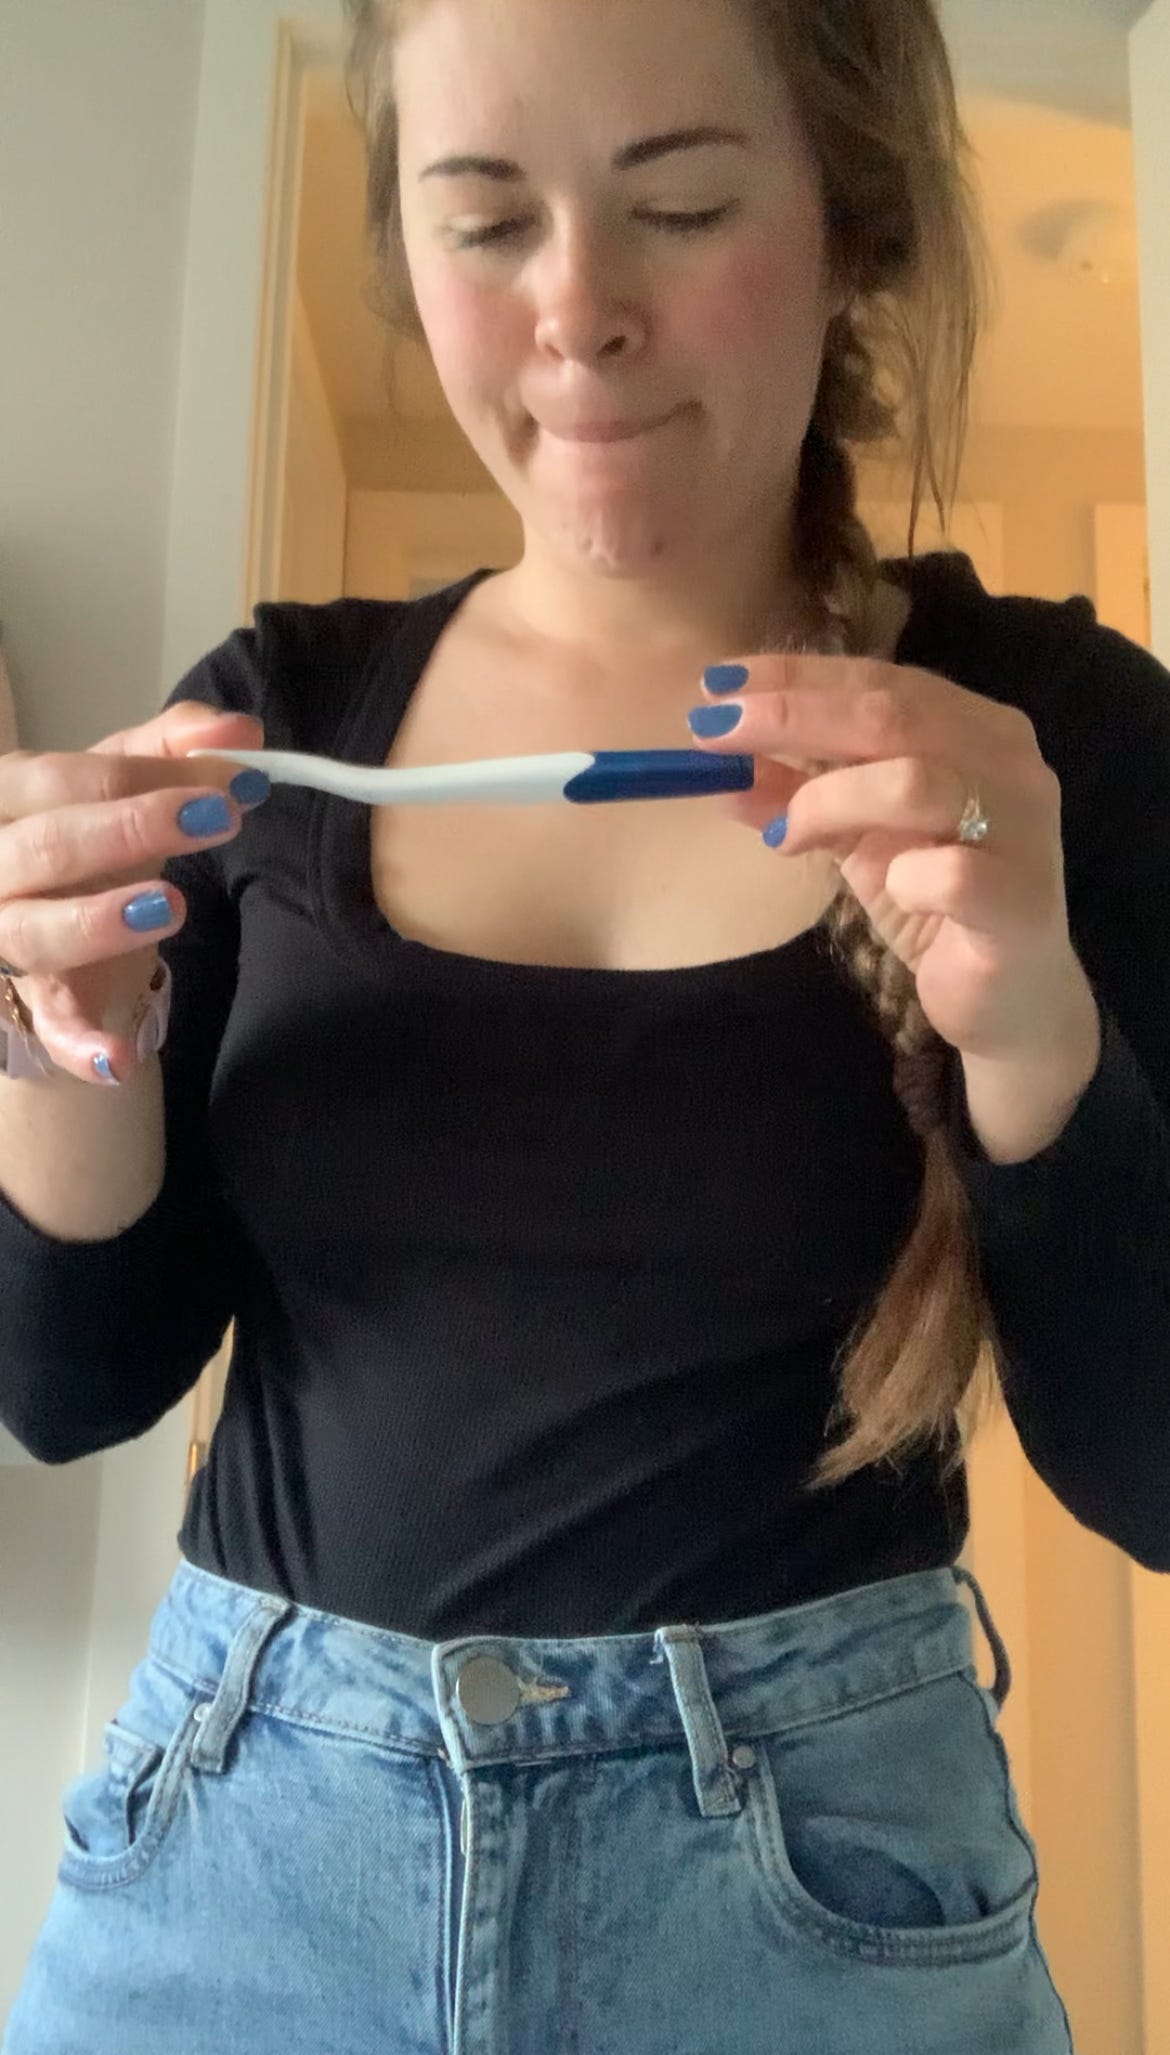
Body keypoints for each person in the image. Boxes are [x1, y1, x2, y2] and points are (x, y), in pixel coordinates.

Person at [2, 0, 1168, 2047]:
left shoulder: (1047, 740)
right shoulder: (275, 718)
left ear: (852, 222)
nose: (576, 311)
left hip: (818, 1917)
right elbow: (70, 1386)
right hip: (238, 1876)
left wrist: (1035, 1047)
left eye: (681, 207)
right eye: (484, 222)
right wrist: (60, 1045)